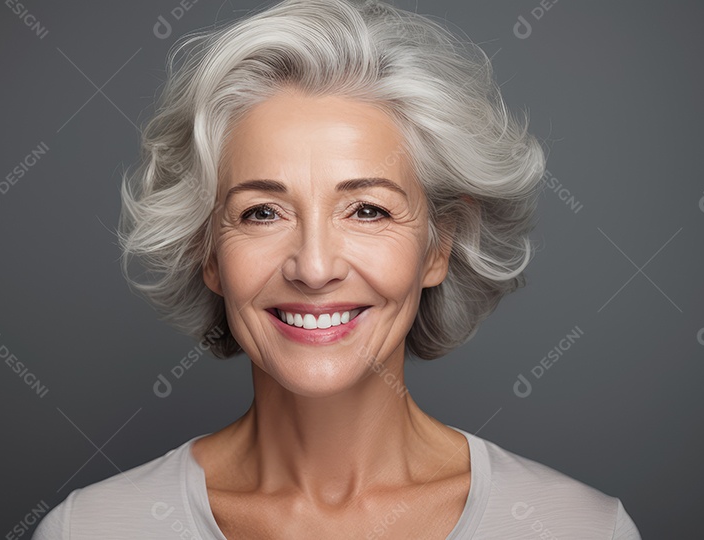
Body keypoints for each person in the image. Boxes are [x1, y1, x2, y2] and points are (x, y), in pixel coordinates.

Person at [34, 0, 642, 537]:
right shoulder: (90, 529)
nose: (315, 266)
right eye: (263, 212)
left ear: (437, 247)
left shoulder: (579, 529)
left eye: (368, 210)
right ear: (207, 253)